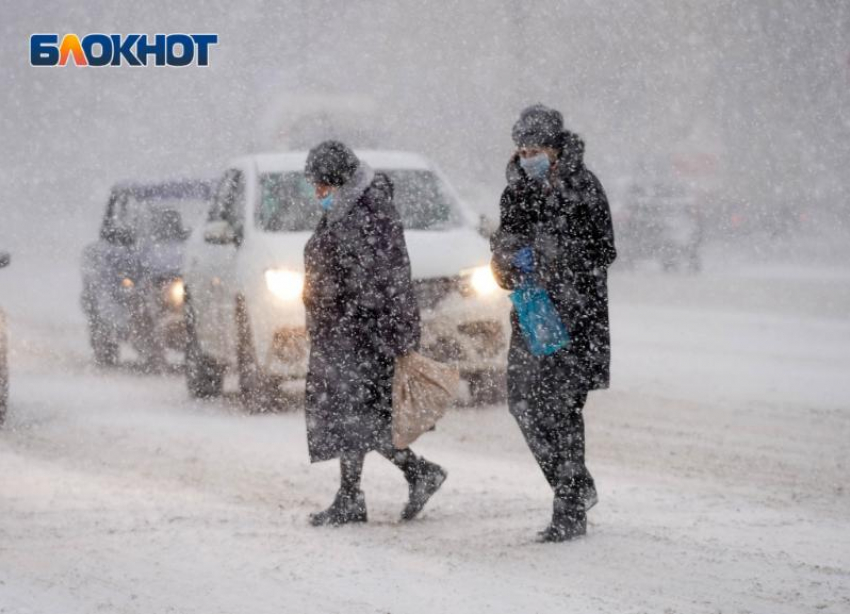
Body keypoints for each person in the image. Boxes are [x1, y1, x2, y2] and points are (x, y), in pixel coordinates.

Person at [302, 141, 447, 527]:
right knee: (356, 415)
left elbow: (384, 276)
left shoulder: (367, 212)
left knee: (358, 416)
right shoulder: (348, 209)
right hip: (348, 330)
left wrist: (385, 330)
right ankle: (393, 482)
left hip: (364, 333)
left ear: (338, 181)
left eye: (321, 185)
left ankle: (389, 483)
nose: (317, 193)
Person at [490, 105, 616, 542]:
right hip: (532, 314)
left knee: (562, 410)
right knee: (523, 405)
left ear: (556, 148)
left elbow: (604, 251)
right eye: (522, 150)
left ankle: (568, 510)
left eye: (537, 149)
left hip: (576, 317)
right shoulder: (516, 191)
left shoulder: (584, 187)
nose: (528, 158)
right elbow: (505, 243)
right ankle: (576, 486)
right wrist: (505, 261)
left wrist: (553, 258)